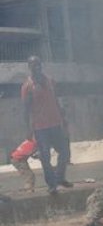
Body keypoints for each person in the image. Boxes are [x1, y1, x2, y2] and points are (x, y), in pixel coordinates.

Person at [21, 56, 73, 194]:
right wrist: (28, 129)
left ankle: (60, 177)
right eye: (33, 65)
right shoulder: (27, 87)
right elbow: (26, 110)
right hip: (40, 127)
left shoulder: (50, 81)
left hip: (56, 123)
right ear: (29, 67)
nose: (36, 67)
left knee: (65, 152)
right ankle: (52, 185)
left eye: (38, 64)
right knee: (45, 156)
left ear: (41, 65)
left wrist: (63, 118)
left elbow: (56, 100)